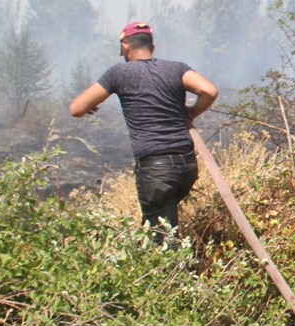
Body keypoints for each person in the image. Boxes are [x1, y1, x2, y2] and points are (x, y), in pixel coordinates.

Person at [69, 22, 218, 238]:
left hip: (156, 171)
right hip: (186, 167)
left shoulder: (118, 73)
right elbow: (209, 91)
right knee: (159, 227)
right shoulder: (176, 68)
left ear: (125, 48)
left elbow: (76, 109)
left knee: (163, 241)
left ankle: (175, 270)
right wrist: (192, 112)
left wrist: (90, 103)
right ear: (152, 48)